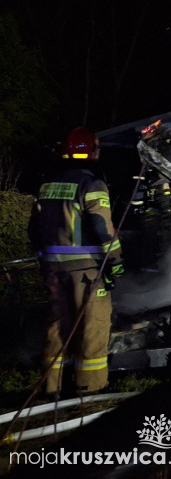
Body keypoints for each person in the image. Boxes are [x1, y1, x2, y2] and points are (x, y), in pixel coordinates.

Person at [28, 126, 124, 396]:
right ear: (93, 152)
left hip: (52, 270)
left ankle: (53, 387)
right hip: (86, 272)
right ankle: (89, 389)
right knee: (92, 327)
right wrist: (115, 261)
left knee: (58, 327)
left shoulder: (47, 186)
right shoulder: (92, 185)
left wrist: (48, 257)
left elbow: (33, 232)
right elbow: (102, 228)